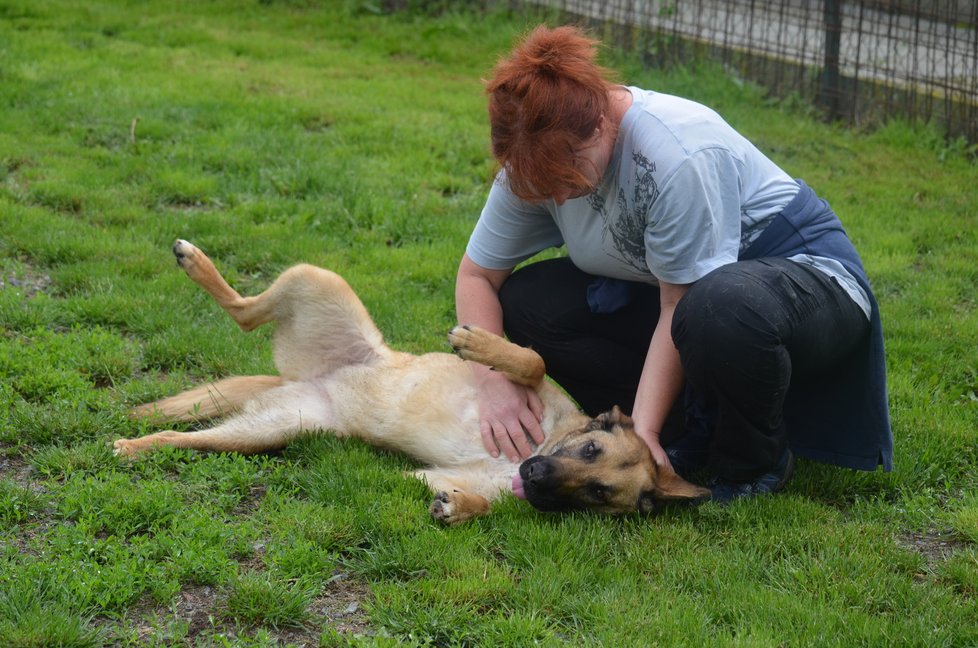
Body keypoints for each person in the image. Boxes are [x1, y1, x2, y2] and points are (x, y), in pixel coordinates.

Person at [455, 24, 892, 502]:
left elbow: (679, 306)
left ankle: (752, 462)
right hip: (692, 305)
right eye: (540, 181)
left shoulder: (677, 152)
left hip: (806, 283)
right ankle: (691, 425)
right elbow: (477, 275)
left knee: (720, 306)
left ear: (601, 122)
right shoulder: (535, 158)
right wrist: (492, 382)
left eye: (569, 173)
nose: (557, 194)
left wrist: (640, 437)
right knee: (528, 303)